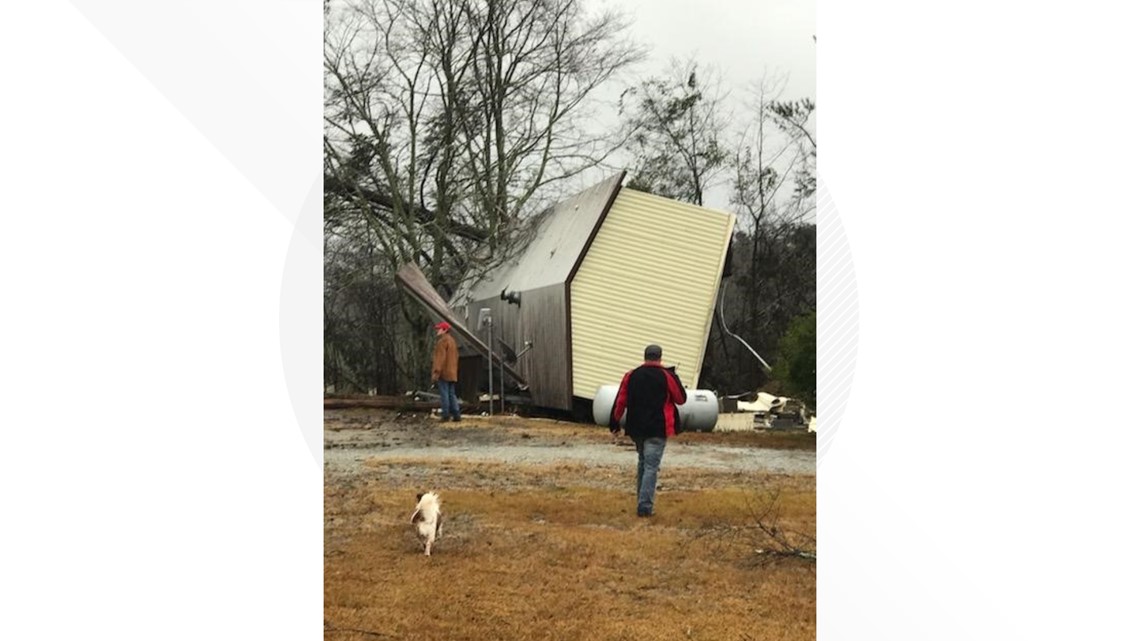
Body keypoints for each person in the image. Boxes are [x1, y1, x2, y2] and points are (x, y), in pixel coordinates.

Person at [610, 344, 687, 517]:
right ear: (660, 357)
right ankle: (644, 507)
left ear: (645, 357)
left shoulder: (631, 375)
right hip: (658, 428)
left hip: (636, 428)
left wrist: (615, 422)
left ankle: (641, 500)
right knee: (651, 466)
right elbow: (681, 399)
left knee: (643, 462)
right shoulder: (666, 376)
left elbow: (620, 401)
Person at [430, 321, 461, 422]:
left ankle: (446, 414)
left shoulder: (442, 342)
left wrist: (436, 372)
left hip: (444, 373)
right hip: (452, 372)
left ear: (445, 330)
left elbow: (440, 359)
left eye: (439, 329)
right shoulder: (452, 341)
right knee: (452, 394)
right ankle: (456, 414)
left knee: (444, 394)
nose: (437, 331)